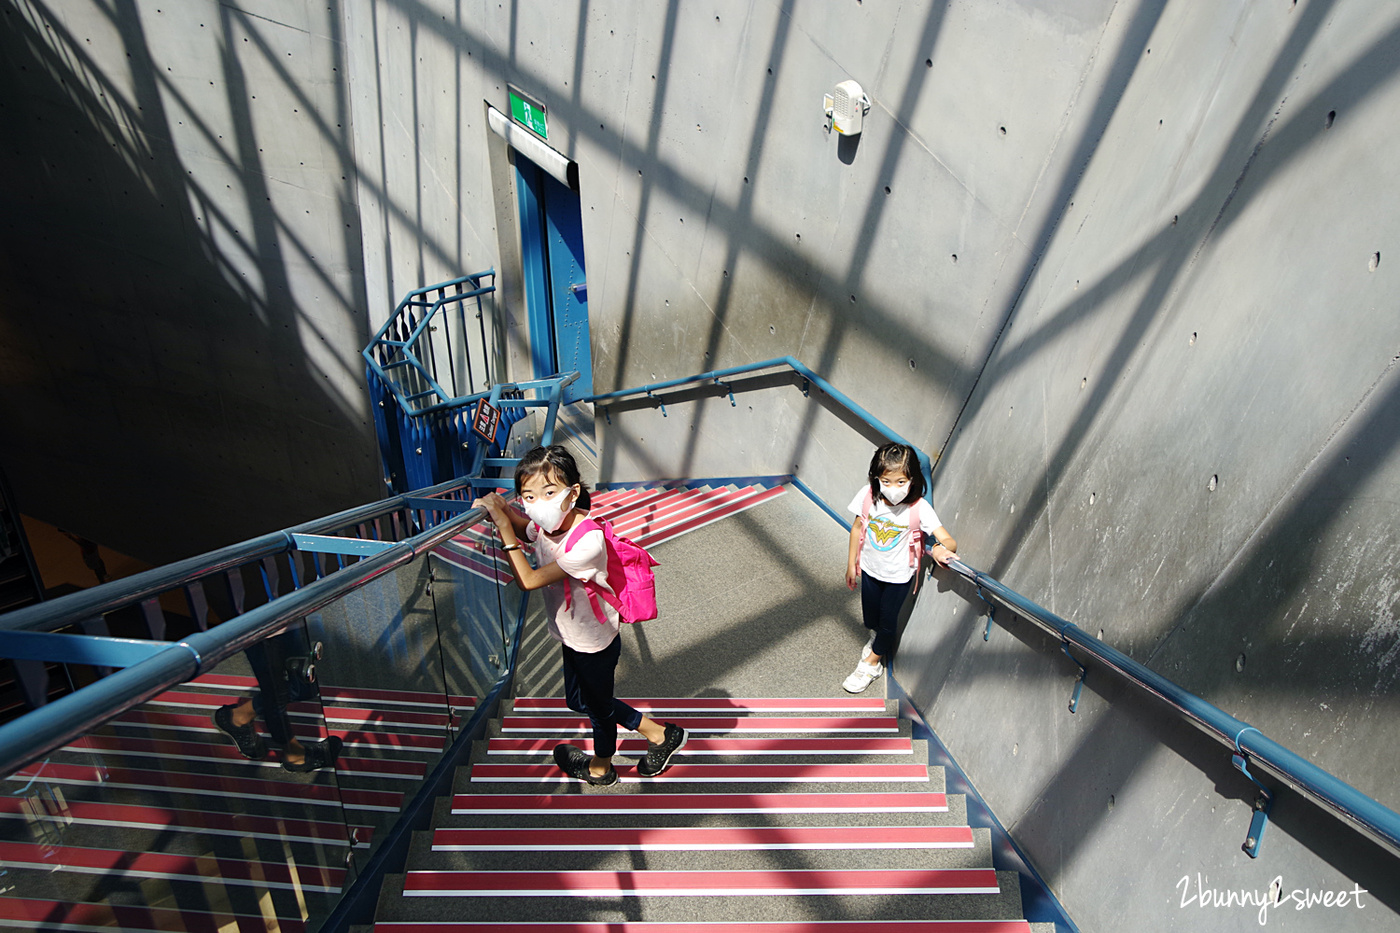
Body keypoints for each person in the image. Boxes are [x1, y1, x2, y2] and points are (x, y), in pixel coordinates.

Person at [473, 445, 686, 785]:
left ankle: (601, 770)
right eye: (528, 495)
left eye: (549, 492)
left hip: (594, 643)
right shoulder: (548, 526)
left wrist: (502, 526)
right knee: (578, 700)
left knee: (599, 712)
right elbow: (526, 526)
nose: (538, 504)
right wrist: (502, 507)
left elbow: (527, 580)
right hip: (571, 633)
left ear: (572, 493)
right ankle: (659, 733)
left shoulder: (588, 542)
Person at [842, 442, 958, 693]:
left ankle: (872, 664)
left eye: (901, 482)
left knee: (887, 622)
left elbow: (948, 539)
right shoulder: (867, 497)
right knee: (871, 618)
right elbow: (857, 528)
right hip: (870, 571)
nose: (893, 489)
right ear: (876, 479)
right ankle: (876, 642)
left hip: (899, 577)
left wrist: (939, 548)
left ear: (912, 479)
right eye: (886, 481)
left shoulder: (919, 508)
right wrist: (851, 563)